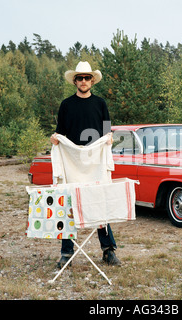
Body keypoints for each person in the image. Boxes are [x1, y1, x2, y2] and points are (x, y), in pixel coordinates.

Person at [50, 61, 121, 267]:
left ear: (92, 81)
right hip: (72, 162)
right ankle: (66, 253)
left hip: (95, 161)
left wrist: (109, 139)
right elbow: (60, 131)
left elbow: (107, 130)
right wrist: (56, 140)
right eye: (80, 78)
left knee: (99, 203)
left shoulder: (100, 103)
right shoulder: (66, 104)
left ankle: (108, 250)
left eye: (86, 78)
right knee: (68, 205)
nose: (83, 81)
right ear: (75, 81)